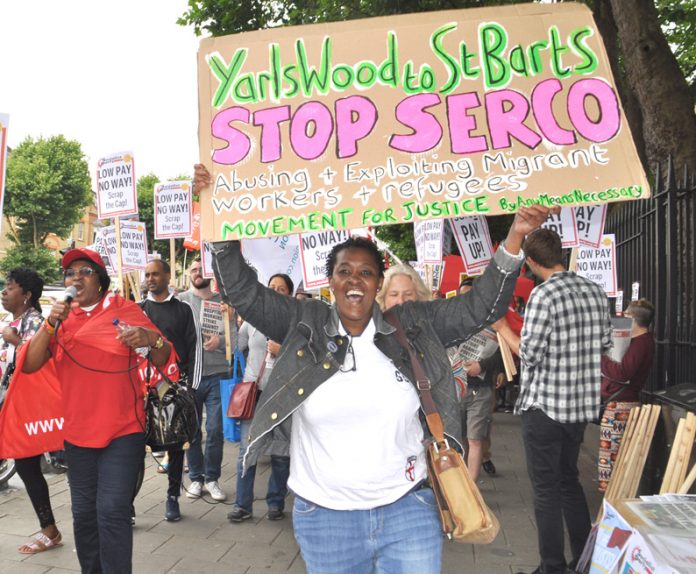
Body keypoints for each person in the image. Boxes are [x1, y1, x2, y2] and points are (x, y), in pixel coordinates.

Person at [200, 160, 553, 574]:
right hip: (325, 519)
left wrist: (514, 237)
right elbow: (243, 292)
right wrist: (217, 214)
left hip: (408, 510)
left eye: (366, 272)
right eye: (344, 271)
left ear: (378, 283)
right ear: (330, 281)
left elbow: (480, 307)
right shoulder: (304, 322)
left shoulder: (415, 325)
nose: (355, 280)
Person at [23, 248, 173, 574]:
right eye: (69, 273)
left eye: (84, 271)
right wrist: (50, 322)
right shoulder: (60, 321)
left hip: (123, 431)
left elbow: (163, 356)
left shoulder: (125, 309)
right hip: (77, 436)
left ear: (100, 280)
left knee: (113, 512)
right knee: (85, 516)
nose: (75, 277)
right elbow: (31, 364)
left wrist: (148, 339)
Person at [514, 229, 612, 574]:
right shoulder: (595, 291)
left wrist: (504, 328)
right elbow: (604, 342)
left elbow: (529, 353)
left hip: (545, 405)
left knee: (545, 489)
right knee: (569, 481)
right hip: (580, 406)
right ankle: (583, 561)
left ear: (530, 261)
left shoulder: (544, 295)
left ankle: (552, 566)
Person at [0, 268, 63, 554]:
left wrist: (16, 341)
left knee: (26, 466)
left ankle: (50, 531)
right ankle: (49, 529)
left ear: (26, 295)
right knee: (25, 466)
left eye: (10, 287)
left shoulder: (36, 321)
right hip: (13, 403)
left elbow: (42, 360)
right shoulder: (11, 321)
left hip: (31, 407)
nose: (3, 291)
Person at [227, 273, 294, 523]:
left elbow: (308, 355)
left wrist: (283, 349)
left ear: (289, 293)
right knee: (248, 449)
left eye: (282, 289)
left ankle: (275, 502)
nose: (276, 291)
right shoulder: (253, 320)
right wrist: (230, 321)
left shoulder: (296, 321)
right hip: (254, 394)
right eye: (272, 287)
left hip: (283, 394)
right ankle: (242, 505)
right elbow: (235, 346)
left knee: (281, 451)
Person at [141, 259, 201, 520]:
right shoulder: (138, 309)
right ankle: (129, 503)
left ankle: (172, 497)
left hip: (173, 387)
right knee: (136, 446)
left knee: (176, 446)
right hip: (143, 389)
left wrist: (190, 386)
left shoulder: (183, 309)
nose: (150, 278)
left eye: (155, 274)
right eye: (147, 274)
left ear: (168, 276)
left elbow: (194, 347)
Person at [179, 258, 235, 501]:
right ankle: (196, 479)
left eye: (201, 268)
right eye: (193, 269)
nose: (197, 272)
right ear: (188, 274)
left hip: (217, 374)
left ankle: (212, 479)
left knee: (214, 430)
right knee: (192, 431)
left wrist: (220, 342)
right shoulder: (181, 301)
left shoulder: (223, 302)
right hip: (192, 376)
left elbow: (236, 336)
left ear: (210, 272)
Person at [598, 298, 655, 491]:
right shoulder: (639, 342)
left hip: (620, 407)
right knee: (613, 460)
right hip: (619, 404)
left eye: (627, 315)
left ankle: (612, 501)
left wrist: (601, 359)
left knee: (612, 462)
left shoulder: (640, 343)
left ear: (632, 318)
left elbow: (623, 373)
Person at [452, 277, 504, 483]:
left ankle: (471, 488)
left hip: (480, 389)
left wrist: (482, 366)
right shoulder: (450, 320)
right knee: (461, 438)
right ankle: (462, 482)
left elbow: (503, 352)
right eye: (461, 296)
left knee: (475, 439)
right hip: (455, 388)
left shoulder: (493, 321)